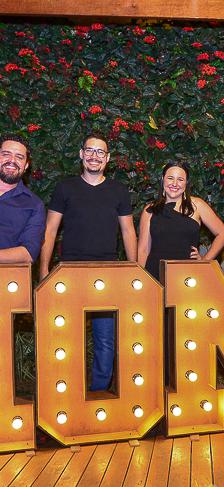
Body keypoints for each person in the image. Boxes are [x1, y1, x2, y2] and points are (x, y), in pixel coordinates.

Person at [40, 131, 137, 391]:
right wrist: (44, 269)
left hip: (107, 273)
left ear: (108, 158)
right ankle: (68, 393)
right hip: (69, 272)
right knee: (67, 339)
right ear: (81, 154)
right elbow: (50, 230)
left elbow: (128, 231)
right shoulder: (65, 188)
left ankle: (98, 392)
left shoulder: (118, 190)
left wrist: (134, 271)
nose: (95, 156)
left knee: (105, 339)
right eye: (90, 150)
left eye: (100, 152)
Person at [138, 160, 224, 280]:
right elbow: (143, 250)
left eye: (180, 179)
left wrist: (205, 260)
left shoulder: (197, 205)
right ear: (163, 180)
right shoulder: (150, 210)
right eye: (170, 178)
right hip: (155, 274)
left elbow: (222, 233)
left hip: (188, 275)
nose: (175, 183)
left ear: (186, 184)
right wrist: (143, 279)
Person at [0, 134, 45, 263]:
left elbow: (29, 253)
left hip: (7, 275)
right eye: (6, 154)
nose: (12, 160)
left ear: (26, 166)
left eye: (19, 157)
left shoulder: (34, 205)